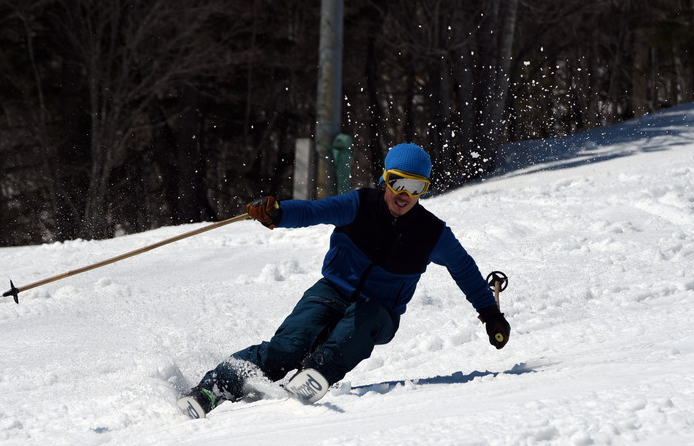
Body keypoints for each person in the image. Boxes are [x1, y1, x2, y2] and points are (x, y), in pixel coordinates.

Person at [179, 142, 510, 418]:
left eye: (415, 187)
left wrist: (490, 313)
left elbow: (464, 269)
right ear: (385, 180)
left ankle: (318, 372)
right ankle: (211, 389)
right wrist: (278, 213)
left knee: (360, 323)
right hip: (331, 291)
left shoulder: (431, 233)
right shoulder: (359, 205)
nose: (404, 194)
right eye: (398, 183)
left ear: (424, 190)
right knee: (286, 349)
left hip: (380, 311)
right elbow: (314, 210)